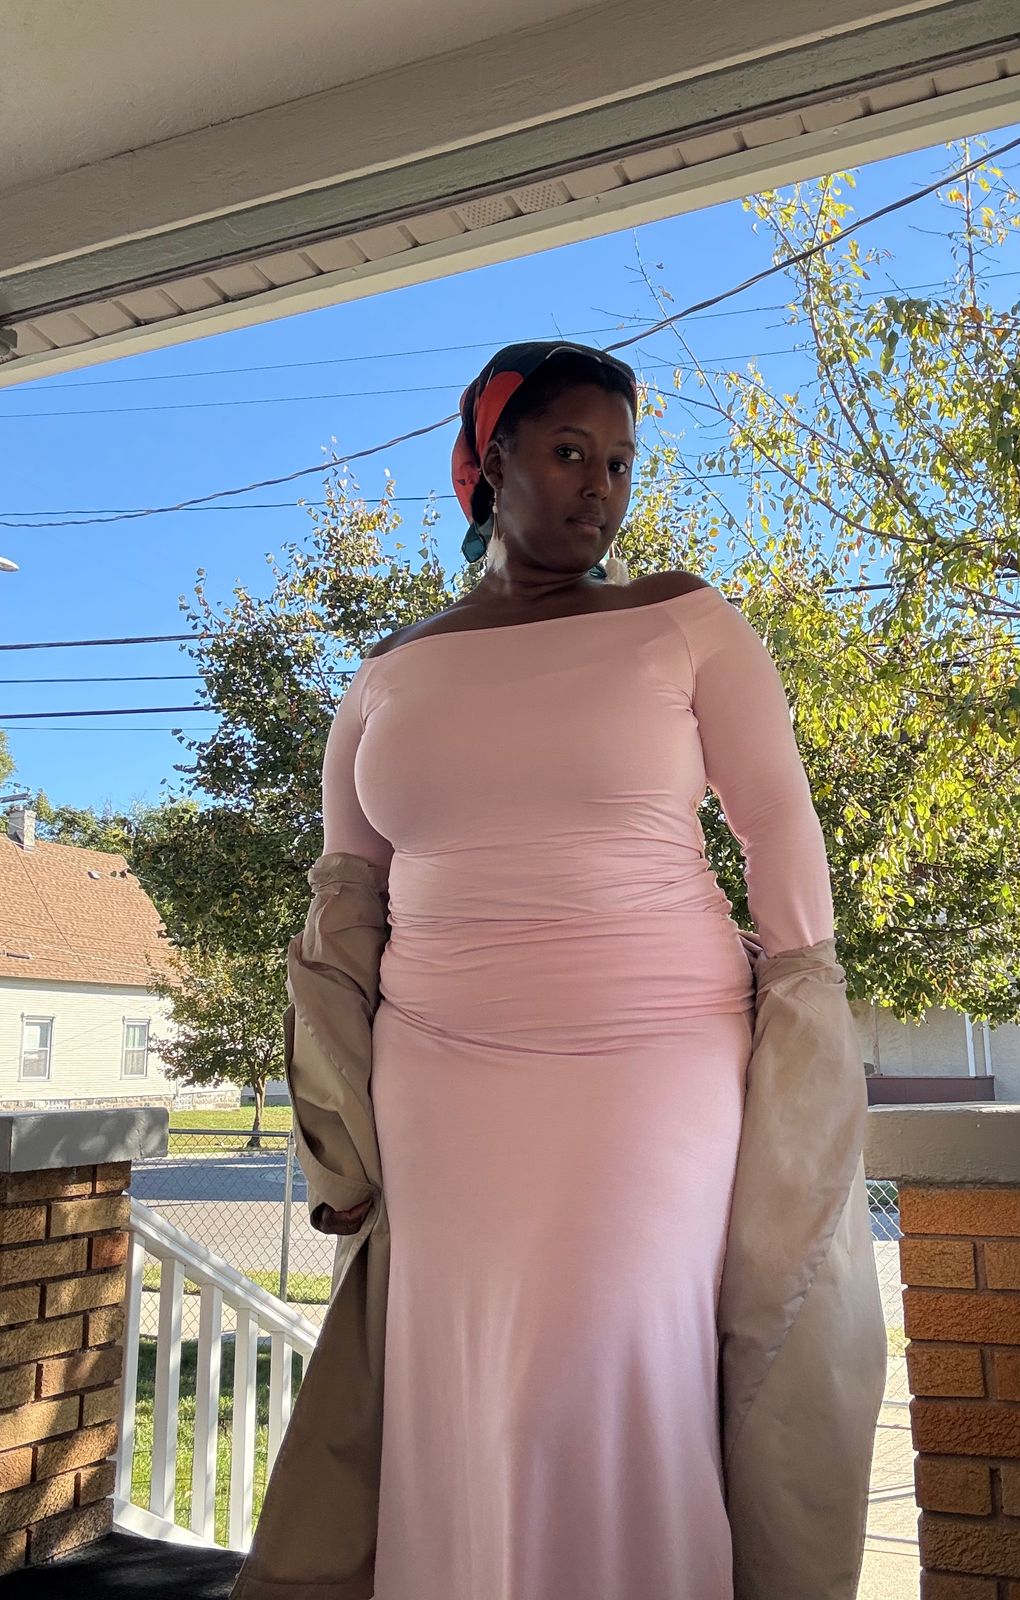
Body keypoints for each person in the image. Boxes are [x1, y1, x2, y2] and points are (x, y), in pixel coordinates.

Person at [232, 339, 884, 1600]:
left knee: (609, 1365)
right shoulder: (386, 674)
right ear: (491, 463)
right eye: (571, 451)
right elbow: (345, 900)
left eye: (622, 462)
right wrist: (335, 1114)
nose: (602, 486)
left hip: (650, 1056)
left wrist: (805, 1012)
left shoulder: (682, 619)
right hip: (439, 1075)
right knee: (461, 1381)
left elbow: (777, 823)